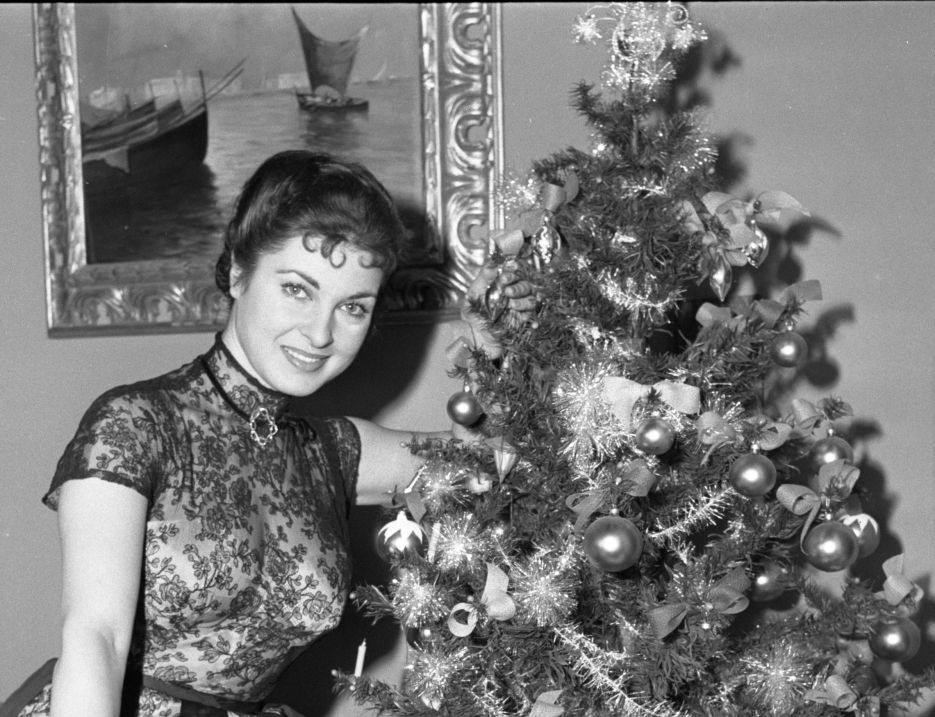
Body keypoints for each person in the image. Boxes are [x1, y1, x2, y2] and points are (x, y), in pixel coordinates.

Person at [2, 151, 533, 717]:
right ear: (238, 272)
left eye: (353, 307)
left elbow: (487, 462)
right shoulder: (135, 424)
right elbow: (97, 641)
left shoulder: (331, 453)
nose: (321, 333)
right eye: (298, 290)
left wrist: (488, 348)